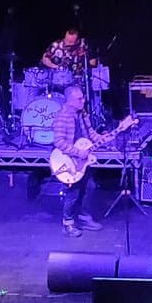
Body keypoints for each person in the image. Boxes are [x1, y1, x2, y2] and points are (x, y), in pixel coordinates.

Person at [53, 85, 109, 237]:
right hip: (69, 159)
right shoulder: (62, 117)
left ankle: (84, 218)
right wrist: (78, 152)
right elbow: (58, 142)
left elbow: (90, 133)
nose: (83, 101)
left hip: (82, 160)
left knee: (90, 187)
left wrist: (104, 138)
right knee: (74, 191)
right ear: (70, 100)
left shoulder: (82, 114)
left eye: (83, 97)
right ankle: (68, 223)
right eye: (79, 99)